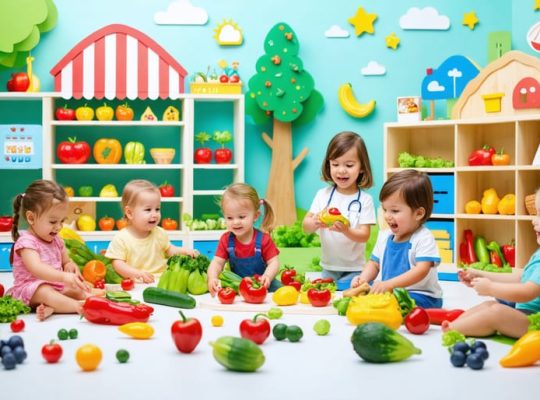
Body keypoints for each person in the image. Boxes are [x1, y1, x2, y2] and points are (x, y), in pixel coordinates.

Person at [442, 189, 540, 338]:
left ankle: (453, 329)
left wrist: (491, 288)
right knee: (490, 306)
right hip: (526, 314)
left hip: (534, 321)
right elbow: (523, 276)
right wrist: (482, 274)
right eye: (536, 214)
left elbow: (527, 292)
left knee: (496, 313)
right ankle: (455, 324)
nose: (534, 220)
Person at [350, 169, 443, 308]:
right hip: (391, 292)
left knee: (386, 305)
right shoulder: (384, 235)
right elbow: (374, 264)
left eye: (394, 211)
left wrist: (390, 284)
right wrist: (363, 279)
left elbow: (421, 270)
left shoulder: (424, 237)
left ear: (418, 213)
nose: (387, 216)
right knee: (367, 298)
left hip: (421, 295)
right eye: (385, 209)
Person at [7, 179, 90, 320]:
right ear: (31, 218)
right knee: (45, 292)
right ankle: (77, 306)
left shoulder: (56, 240)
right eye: (53, 222)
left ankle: (60, 306)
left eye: (62, 221)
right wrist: (63, 276)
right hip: (30, 289)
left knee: (75, 289)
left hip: (54, 286)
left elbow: (66, 261)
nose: (58, 227)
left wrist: (69, 265)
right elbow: (37, 268)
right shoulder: (26, 242)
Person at [302, 131, 376, 287]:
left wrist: (346, 230)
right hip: (329, 267)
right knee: (328, 295)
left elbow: (364, 236)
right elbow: (305, 226)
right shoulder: (323, 195)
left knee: (348, 291)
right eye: (335, 164)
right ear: (328, 165)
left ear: (362, 167)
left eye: (349, 165)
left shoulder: (364, 200)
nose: (341, 170)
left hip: (355, 268)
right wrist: (315, 221)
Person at [105, 179, 198, 283]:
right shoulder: (121, 238)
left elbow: (170, 249)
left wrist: (184, 251)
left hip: (162, 280)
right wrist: (137, 273)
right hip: (136, 283)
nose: (154, 214)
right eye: (148, 210)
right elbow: (118, 264)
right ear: (130, 213)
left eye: (157, 209)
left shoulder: (159, 233)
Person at [207, 182, 280, 296]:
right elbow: (217, 263)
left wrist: (267, 276)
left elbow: (274, 262)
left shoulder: (264, 240)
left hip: (263, 287)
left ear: (255, 216)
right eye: (230, 217)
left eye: (241, 217)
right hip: (238, 288)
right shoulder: (226, 240)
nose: (236, 222)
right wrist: (212, 278)